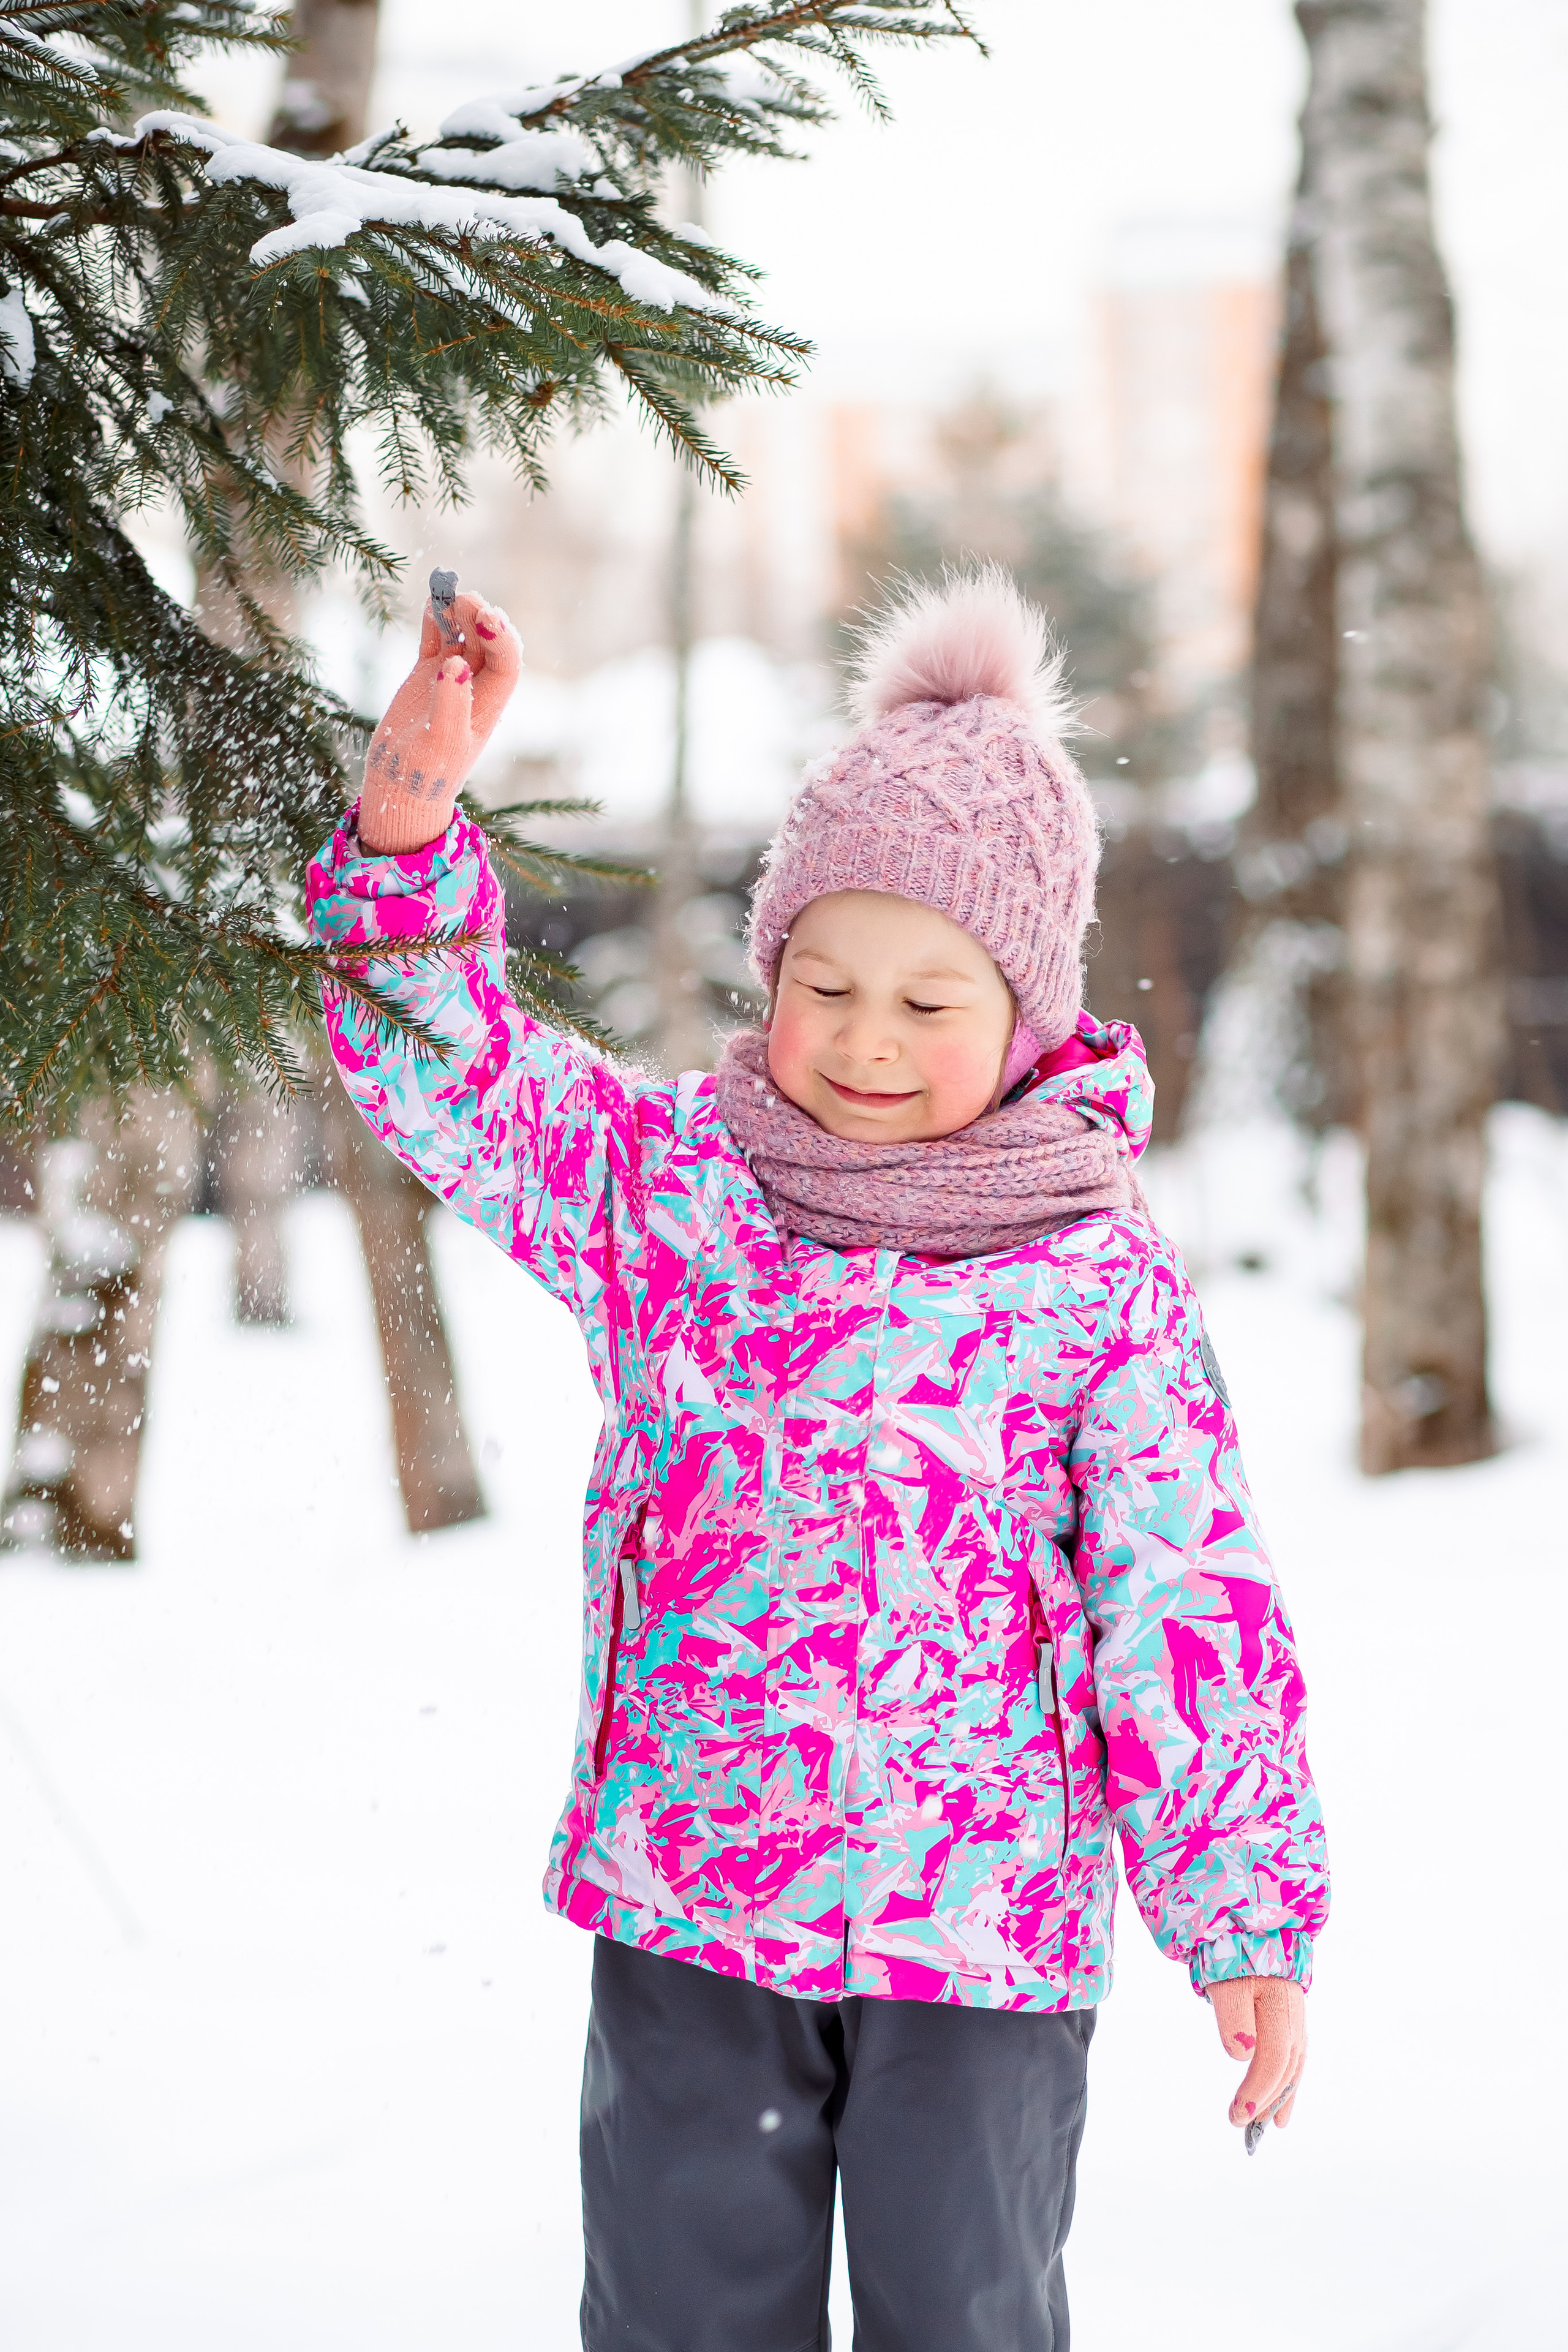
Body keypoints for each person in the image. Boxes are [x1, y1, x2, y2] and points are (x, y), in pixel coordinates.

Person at [307, 565, 1328, 2352]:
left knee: (963, 2314)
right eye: (825, 983)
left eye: (929, 1007)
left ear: (1023, 1017)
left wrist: (1241, 1908)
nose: (863, 1042)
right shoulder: (679, 1198)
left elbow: (1189, 1610)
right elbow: (460, 1085)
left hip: (985, 1940)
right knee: (684, 2314)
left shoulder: (1092, 1282)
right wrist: (408, 829)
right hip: (696, 1898)